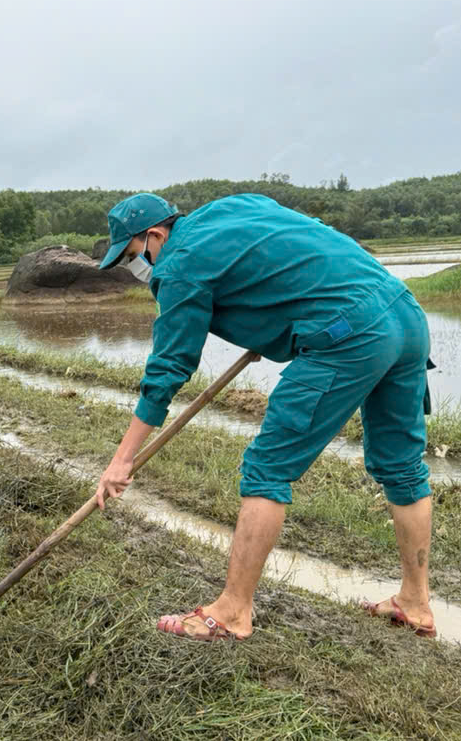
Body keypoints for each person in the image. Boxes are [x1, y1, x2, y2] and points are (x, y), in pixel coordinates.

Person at [93, 192, 435, 642]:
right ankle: (415, 603)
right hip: (404, 312)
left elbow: (168, 368)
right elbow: (301, 239)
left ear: (155, 234)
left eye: (136, 256)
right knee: (402, 466)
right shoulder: (232, 207)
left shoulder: (178, 264)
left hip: (348, 332)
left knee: (267, 468)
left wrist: (122, 460)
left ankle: (233, 611)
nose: (141, 268)